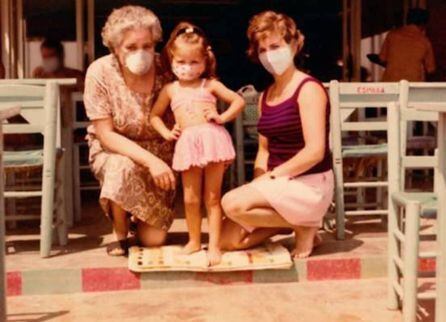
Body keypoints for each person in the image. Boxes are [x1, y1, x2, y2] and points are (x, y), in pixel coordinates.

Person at [220, 11, 333, 259]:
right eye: (263, 50)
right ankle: (298, 225)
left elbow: (315, 152)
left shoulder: (309, 89)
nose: (270, 55)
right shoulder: (265, 95)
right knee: (227, 240)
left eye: (276, 46)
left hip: (308, 183)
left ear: (294, 44)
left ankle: (305, 223)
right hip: (278, 183)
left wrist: (272, 177)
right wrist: (258, 180)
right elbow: (264, 149)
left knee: (231, 203)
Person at [83, 5, 177, 256]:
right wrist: (150, 162)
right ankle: (120, 232)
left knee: (153, 240)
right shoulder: (100, 72)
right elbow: (106, 133)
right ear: (115, 48)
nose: (142, 53)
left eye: (147, 46)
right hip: (116, 149)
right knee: (120, 166)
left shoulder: (168, 69)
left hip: (161, 153)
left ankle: (138, 219)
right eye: (131, 47)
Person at [150, 22, 245, 265]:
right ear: (171, 60)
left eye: (194, 63)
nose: (187, 68)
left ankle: (213, 245)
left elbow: (238, 101)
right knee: (190, 199)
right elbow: (154, 116)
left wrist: (221, 117)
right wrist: (166, 132)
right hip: (187, 145)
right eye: (181, 62)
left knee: (212, 198)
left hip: (212, 141)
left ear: (205, 61)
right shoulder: (170, 90)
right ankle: (194, 241)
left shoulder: (210, 85)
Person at [368, 8, 435, 81]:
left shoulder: (392, 35)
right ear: (423, 24)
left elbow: (382, 59)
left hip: (391, 82)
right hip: (413, 84)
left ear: (407, 20)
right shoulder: (425, 41)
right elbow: (431, 69)